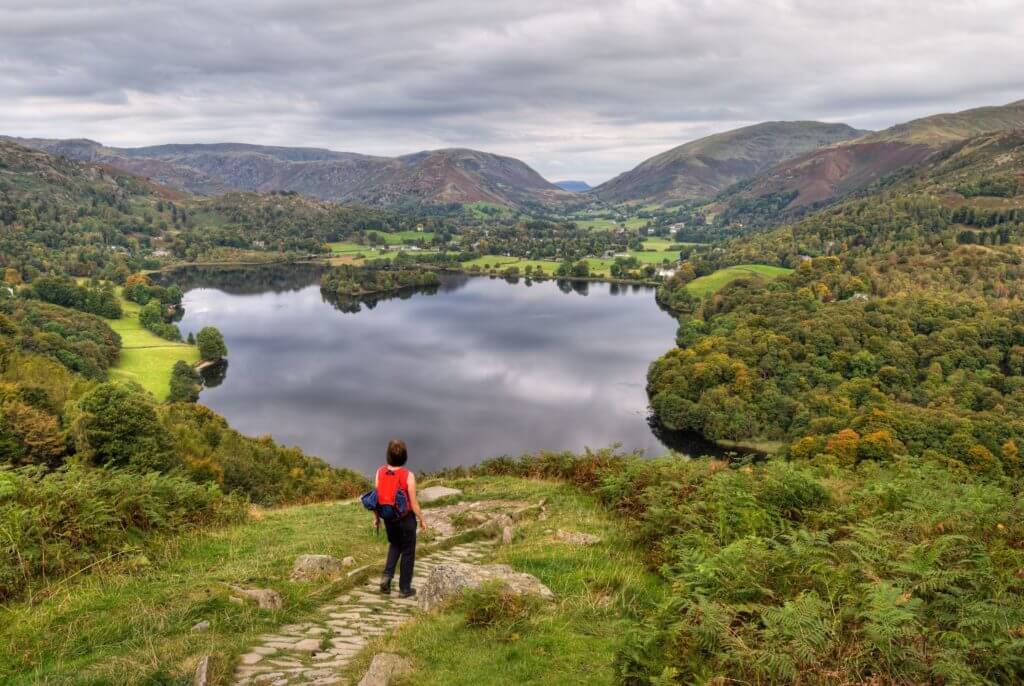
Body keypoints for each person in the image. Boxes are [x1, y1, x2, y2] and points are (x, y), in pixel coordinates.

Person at [377, 439, 426, 597]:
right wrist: (422, 519)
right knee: (408, 551)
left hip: (388, 518)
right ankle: (405, 589)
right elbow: (414, 503)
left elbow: (377, 498)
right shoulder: (408, 476)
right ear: (404, 456)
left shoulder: (380, 472)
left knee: (395, 545)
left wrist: (376, 518)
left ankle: (386, 577)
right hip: (406, 520)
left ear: (388, 456)